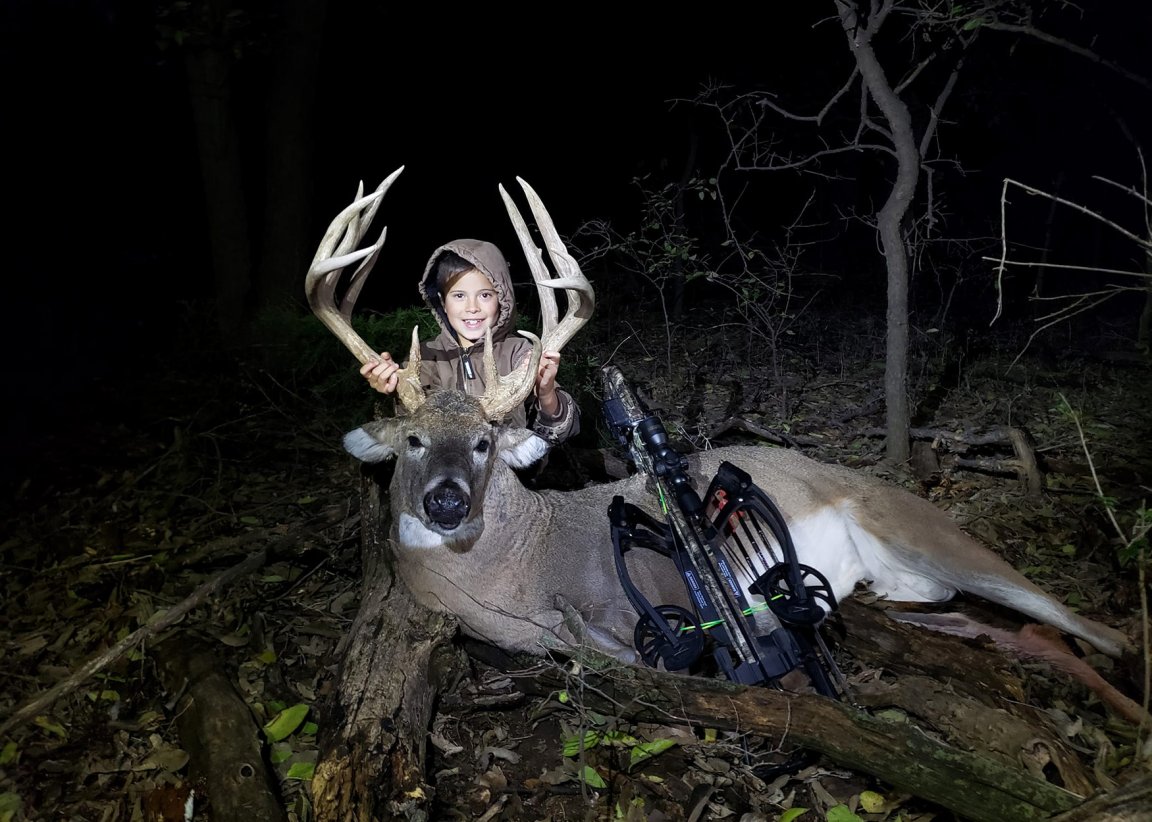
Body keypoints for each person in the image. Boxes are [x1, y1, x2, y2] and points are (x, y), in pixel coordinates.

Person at [359, 239, 580, 445]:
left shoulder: (521, 353)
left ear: (502, 299)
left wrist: (546, 393)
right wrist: (394, 388)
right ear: (443, 303)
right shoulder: (425, 357)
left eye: (485, 295)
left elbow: (561, 433)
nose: (472, 307)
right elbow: (412, 433)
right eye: (459, 296)